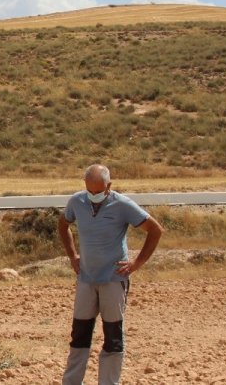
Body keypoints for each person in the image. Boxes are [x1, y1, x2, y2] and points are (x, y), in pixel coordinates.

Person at [59, 164, 163, 385]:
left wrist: (137, 263)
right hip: (86, 279)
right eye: (90, 191)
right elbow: (63, 224)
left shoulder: (122, 204)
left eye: (99, 191)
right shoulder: (77, 202)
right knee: (79, 335)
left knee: (113, 336)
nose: (94, 195)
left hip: (113, 280)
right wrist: (73, 256)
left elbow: (155, 230)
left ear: (109, 186)